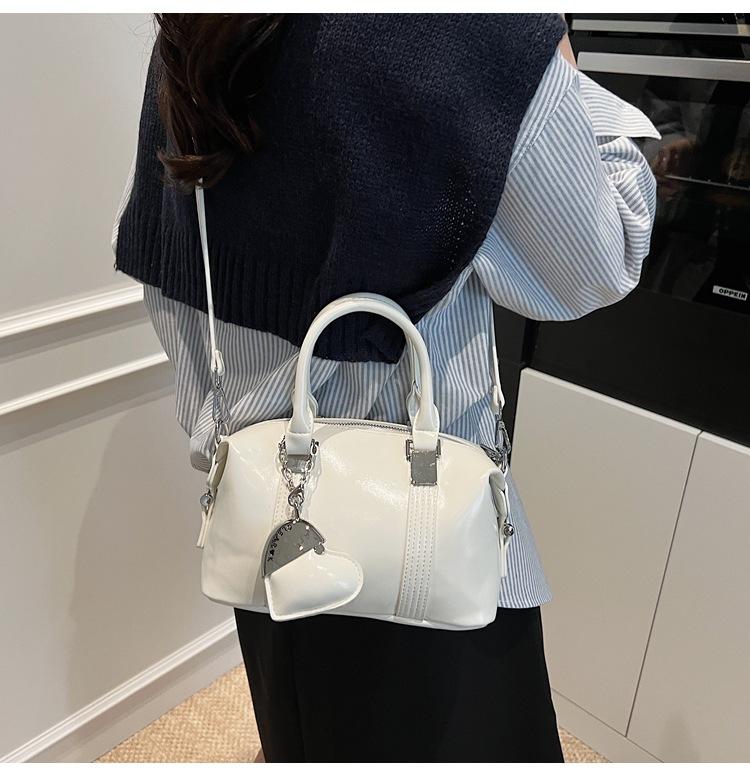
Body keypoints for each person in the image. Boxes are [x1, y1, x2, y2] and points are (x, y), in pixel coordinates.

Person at [111, 14, 659, 763]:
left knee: (304, 734)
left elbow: (173, 276)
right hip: (423, 543)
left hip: (267, 522)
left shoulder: (203, 24)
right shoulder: (473, 28)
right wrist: (554, 52)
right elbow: (603, 256)